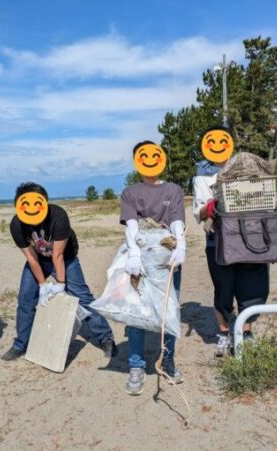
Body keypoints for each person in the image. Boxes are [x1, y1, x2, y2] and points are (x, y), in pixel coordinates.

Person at [0, 182, 117, 361]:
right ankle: (21, 344)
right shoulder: (17, 224)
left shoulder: (58, 216)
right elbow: (31, 257)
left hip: (66, 258)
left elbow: (58, 255)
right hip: (38, 260)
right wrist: (42, 285)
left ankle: (105, 338)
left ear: (44, 202)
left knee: (82, 296)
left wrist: (60, 285)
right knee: (25, 300)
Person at [192, 127, 269, 356]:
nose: (217, 145)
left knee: (252, 286)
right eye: (211, 141)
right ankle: (224, 334)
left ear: (231, 143)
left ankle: (246, 333)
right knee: (223, 289)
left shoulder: (248, 169)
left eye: (222, 140)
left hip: (250, 238)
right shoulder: (202, 177)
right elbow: (199, 213)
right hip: (218, 240)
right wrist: (211, 206)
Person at [120, 141, 186, 395]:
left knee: (169, 309)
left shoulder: (173, 190)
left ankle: (167, 361)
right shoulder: (130, 192)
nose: (149, 160)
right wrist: (134, 254)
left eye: (154, 155)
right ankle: (136, 364)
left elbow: (177, 220)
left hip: (167, 258)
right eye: (143, 156)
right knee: (137, 312)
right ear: (137, 161)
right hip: (141, 259)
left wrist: (181, 245)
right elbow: (131, 225)